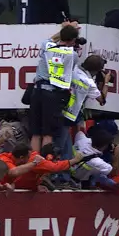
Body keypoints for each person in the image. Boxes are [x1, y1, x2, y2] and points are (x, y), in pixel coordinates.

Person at [29, 24, 81, 152]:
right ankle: (44, 161)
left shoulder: (46, 47)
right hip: (52, 94)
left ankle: (33, 162)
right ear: (73, 40)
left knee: (35, 133)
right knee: (48, 133)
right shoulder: (72, 55)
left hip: (37, 91)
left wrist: (66, 28)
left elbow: (51, 39)